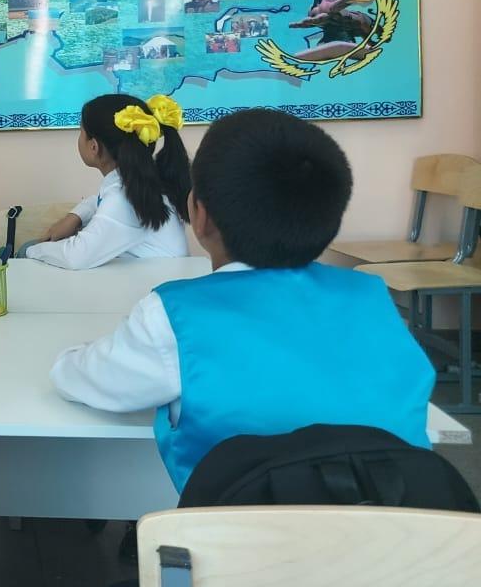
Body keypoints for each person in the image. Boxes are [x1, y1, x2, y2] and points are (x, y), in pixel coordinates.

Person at [50, 108, 434, 492]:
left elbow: (79, 378)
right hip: (404, 516)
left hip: (237, 522)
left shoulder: (174, 317)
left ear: (199, 214)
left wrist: (71, 353)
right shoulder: (373, 298)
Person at [22, 94, 190, 270]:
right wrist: (75, 217)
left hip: (155, 283)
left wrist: (31, 251)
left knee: (27, 249)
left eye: (81, 132)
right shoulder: (142, 181)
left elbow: (76, 256)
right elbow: (98, 200)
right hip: (154, 277)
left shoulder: (123, 199)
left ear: (94, 146)